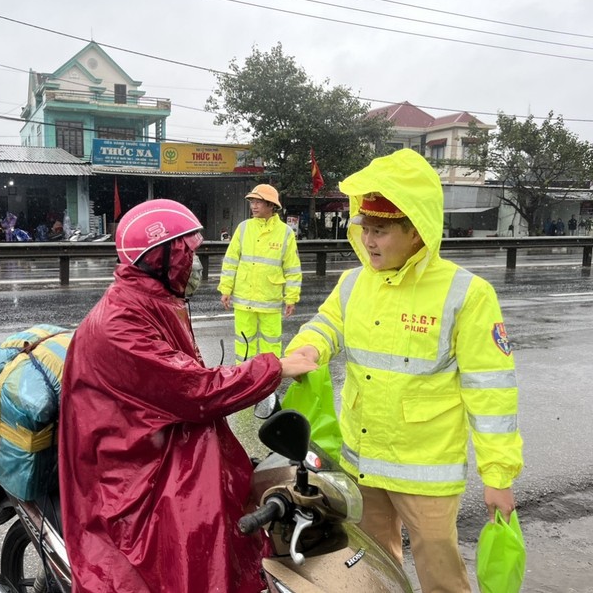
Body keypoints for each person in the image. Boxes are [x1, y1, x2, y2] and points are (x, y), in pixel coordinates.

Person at [285, 148, 523, 593]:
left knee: (441, 576)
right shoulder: (354, 281)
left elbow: (491, 392)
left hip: (425, 471)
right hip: (363, 461)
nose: (369, 241)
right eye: (365, 228)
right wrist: (308, 349)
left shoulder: (466, 294)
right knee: (374, 568)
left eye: (381, 231)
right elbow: (327, 324)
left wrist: (498, 477)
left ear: (415, 231)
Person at [58, 199, 317, 593]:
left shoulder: (155, 299)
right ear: (158, 258)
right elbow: (195, 390)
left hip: (147, 428)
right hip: (123, 456)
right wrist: (274, 368)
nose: (195, 264)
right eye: (187, 254)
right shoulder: (121, 323)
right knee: (193, 524)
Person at [218, 184, 302, 363]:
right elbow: (231, 261)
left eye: (259, 202)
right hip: (243, 298)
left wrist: (291, 298)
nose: (254, 206)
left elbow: (292, 269)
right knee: (244, 343)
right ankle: (244, 378)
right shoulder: (243, 228)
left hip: (269, 300)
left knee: (271, 344)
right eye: (252, 202)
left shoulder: (285, 233)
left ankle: (269, 381)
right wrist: (226, 289)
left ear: (271, 205)